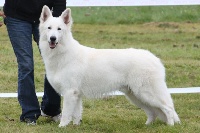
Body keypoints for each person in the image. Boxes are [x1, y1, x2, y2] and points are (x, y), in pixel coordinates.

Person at [1, 0, 66, 125]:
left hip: (46, 19)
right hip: (16, 18)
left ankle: (51, 109)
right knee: (26, 65)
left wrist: (57, 21)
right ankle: (29, 113)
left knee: (54, 63)